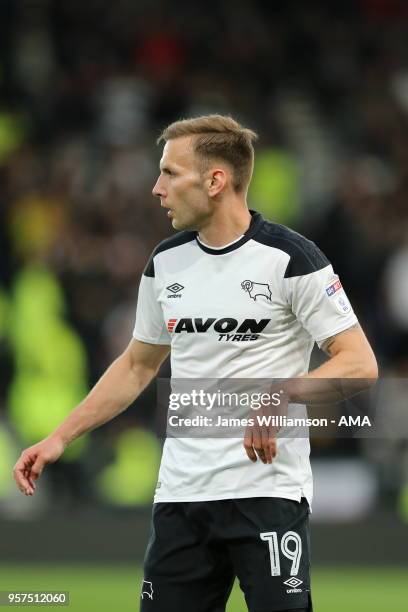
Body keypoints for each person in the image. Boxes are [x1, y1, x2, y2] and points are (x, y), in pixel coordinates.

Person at [13, 114, 378, 612]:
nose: (156, 188)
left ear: (215, 180)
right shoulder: (165, 263)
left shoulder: (291, 259)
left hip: (266, 493)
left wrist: (283, 392)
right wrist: (61, 436)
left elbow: (359, 363)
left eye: (169, 173)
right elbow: (138, 365)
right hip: (182, 498)